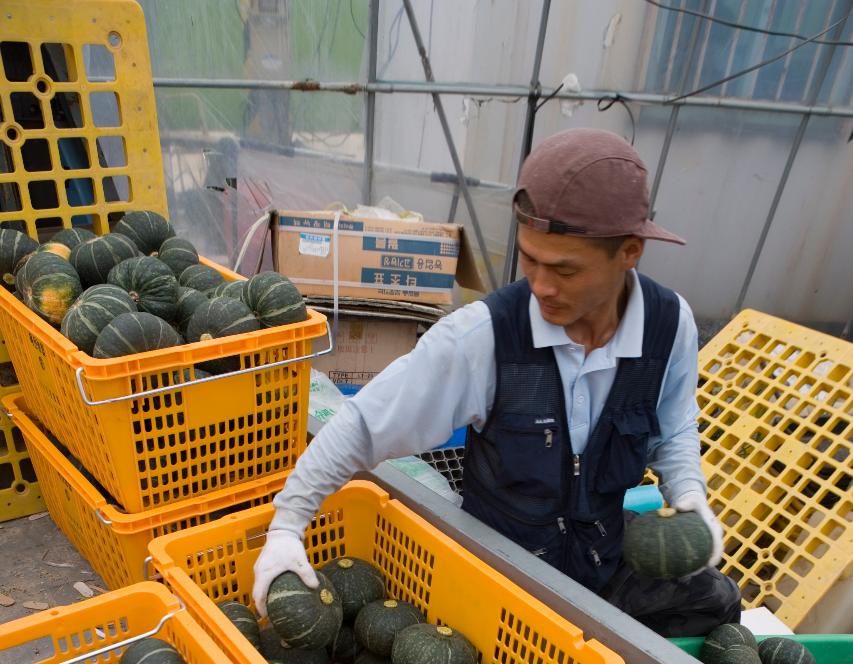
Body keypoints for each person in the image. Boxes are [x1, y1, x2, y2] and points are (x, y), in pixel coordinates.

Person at [252, 128, 741, 637]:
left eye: (565, 270)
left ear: (630, 252)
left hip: (601, 558)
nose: (541, 286)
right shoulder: (483, 337)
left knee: (718, 602)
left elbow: (674, 427)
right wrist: (287, 526)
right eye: (530, 259)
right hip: (501, 574)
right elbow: (362, 426)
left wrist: (689, 496)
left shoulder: (669, 325)